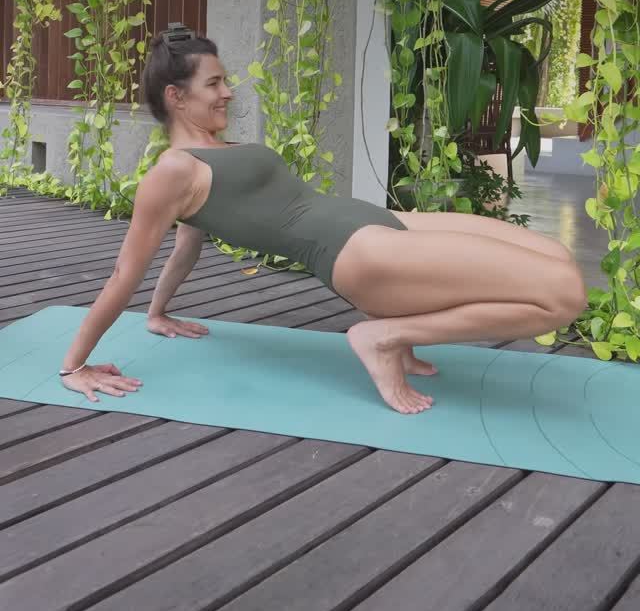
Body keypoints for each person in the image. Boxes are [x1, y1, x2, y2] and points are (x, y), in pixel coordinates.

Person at [59, 25, 587, 415]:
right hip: (357, 252)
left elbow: (187, 246)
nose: (228, 92)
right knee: (563, 296)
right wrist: (75, 365)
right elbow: (125, 272)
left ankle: (400, 337)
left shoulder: (213, 153)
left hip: (380, 221)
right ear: (176, 97)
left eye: (225, 81)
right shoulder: (172, 171)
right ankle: (384, 337)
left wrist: (158, 313)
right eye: (214, 84)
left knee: (557, 256)